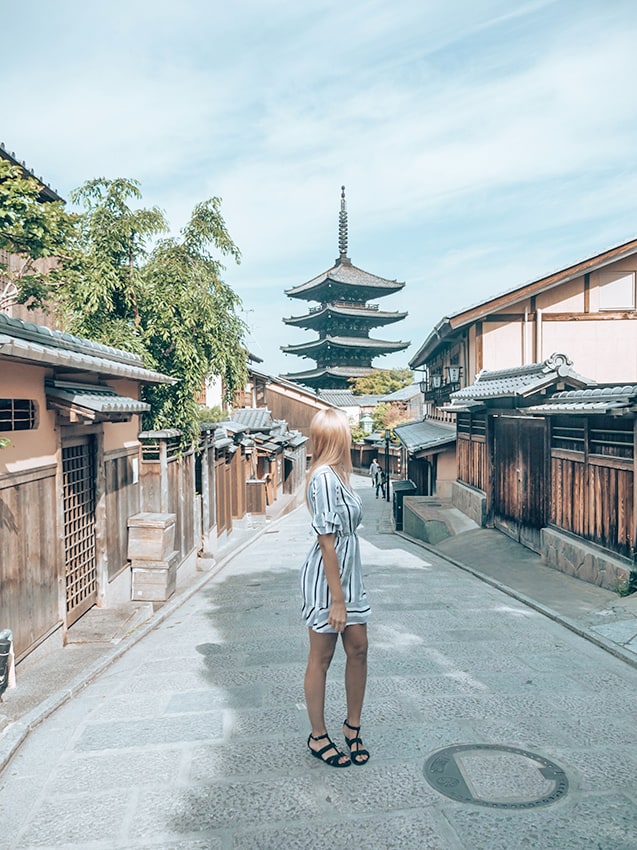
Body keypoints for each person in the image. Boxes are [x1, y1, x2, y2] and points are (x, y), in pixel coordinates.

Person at [301, 409, 371, 768]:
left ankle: (352, 726)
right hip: (330, 580)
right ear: (337, 438)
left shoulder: (341, 477)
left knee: (358, 647)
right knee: (323, 657)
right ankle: (318, 735)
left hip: (350, 575)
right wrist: (338, 600)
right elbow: (327, 542)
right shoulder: (324, 479)